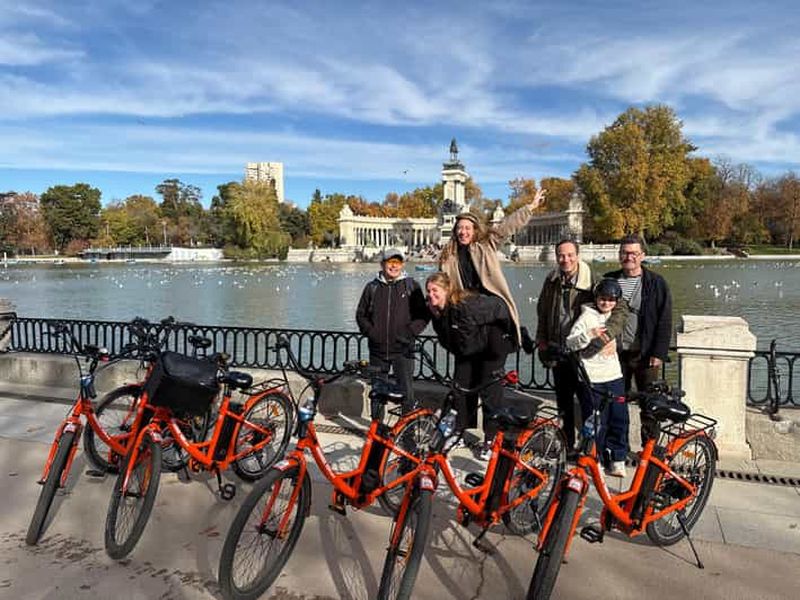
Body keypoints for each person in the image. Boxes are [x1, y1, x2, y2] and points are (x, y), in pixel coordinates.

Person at [438, 189, 546, 450]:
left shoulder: (486, 245)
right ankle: (461, 431)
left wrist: (529, 207)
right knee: (463, 382)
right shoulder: (448, 257)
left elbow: (506, 226)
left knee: (491, 385)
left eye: (467, 227)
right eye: (459, 228)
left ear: (475, 230)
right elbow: (443, 287)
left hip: (493, 322)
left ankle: (491, 438)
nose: (463, 232)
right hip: (467, 322)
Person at [535, 239, 625, 458]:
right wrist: (542, 342)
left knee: (588, 404)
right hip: (559, 350)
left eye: (570, 255)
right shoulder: (552, 279)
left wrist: (606, 336)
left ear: (578, 255)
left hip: (585, 354)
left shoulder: (593, 280)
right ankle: (565, 446)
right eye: (561, 256)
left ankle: (591, 451)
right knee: (563, 403)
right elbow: (543, 312)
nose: (565, 260)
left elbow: (620, 307)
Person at [425, 271, 516, 459]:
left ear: (447, 290)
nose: (431, 295)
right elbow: (449, 342)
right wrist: (437, 318)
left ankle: (490, 441)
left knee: (491, 393)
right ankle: (460, 432)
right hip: (470, 349)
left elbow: (500, 308)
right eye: (429, 291)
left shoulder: (463, 306)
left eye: (435, 290)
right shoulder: (439, 312)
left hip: (492, 347)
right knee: (460, 390)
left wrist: (508, 332)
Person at [605, 235, 673, 443]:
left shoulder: (656, 282)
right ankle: (617, 447)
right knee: (615, 402)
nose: (629, 257)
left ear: (642, 255)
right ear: (619, 255)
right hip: (615, 353)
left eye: (634, 253)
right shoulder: (609, 280)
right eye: (625, 253)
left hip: (645, 353)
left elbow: (665, 319)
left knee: (650, 404)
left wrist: (659, 353)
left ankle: (650, 448)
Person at [566, 278, 629, 477]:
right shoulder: (586, 318)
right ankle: (597, 459)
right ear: (596, 298)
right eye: (603, 299)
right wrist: (589, 335)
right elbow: (571, 342)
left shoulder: (615, 317)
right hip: (592, 378)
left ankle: (618, 458)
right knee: (595, 422)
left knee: (619, 418)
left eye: (611, 300)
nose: (607, 303)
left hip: (614, 376)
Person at [355, 248, 429, 413]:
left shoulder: (411, 286)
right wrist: (371, 333)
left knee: (407, 393)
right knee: (377, 394)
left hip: (403, 350)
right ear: (382, 264)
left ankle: (407, 434)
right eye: (390, 262)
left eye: (398, 263)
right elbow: (361, 315)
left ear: (402, 265)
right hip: (378, 350)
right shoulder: (371, 287)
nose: (394, 266)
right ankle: (377, 433)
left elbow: (423, 316)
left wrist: (409, 333)